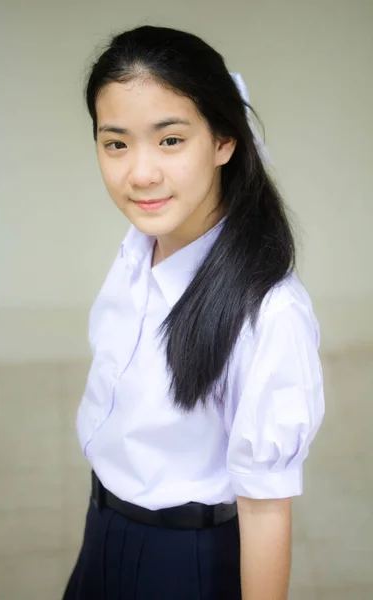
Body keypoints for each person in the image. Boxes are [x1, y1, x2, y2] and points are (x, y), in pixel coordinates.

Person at [62, 24, 325, 600]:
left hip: (181, 562)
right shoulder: (136, 254)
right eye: (116, 143)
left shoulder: (268, 311)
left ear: (224, 142)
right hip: (103, 529)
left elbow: (265, 512)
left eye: (171, 140)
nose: (141, 173)